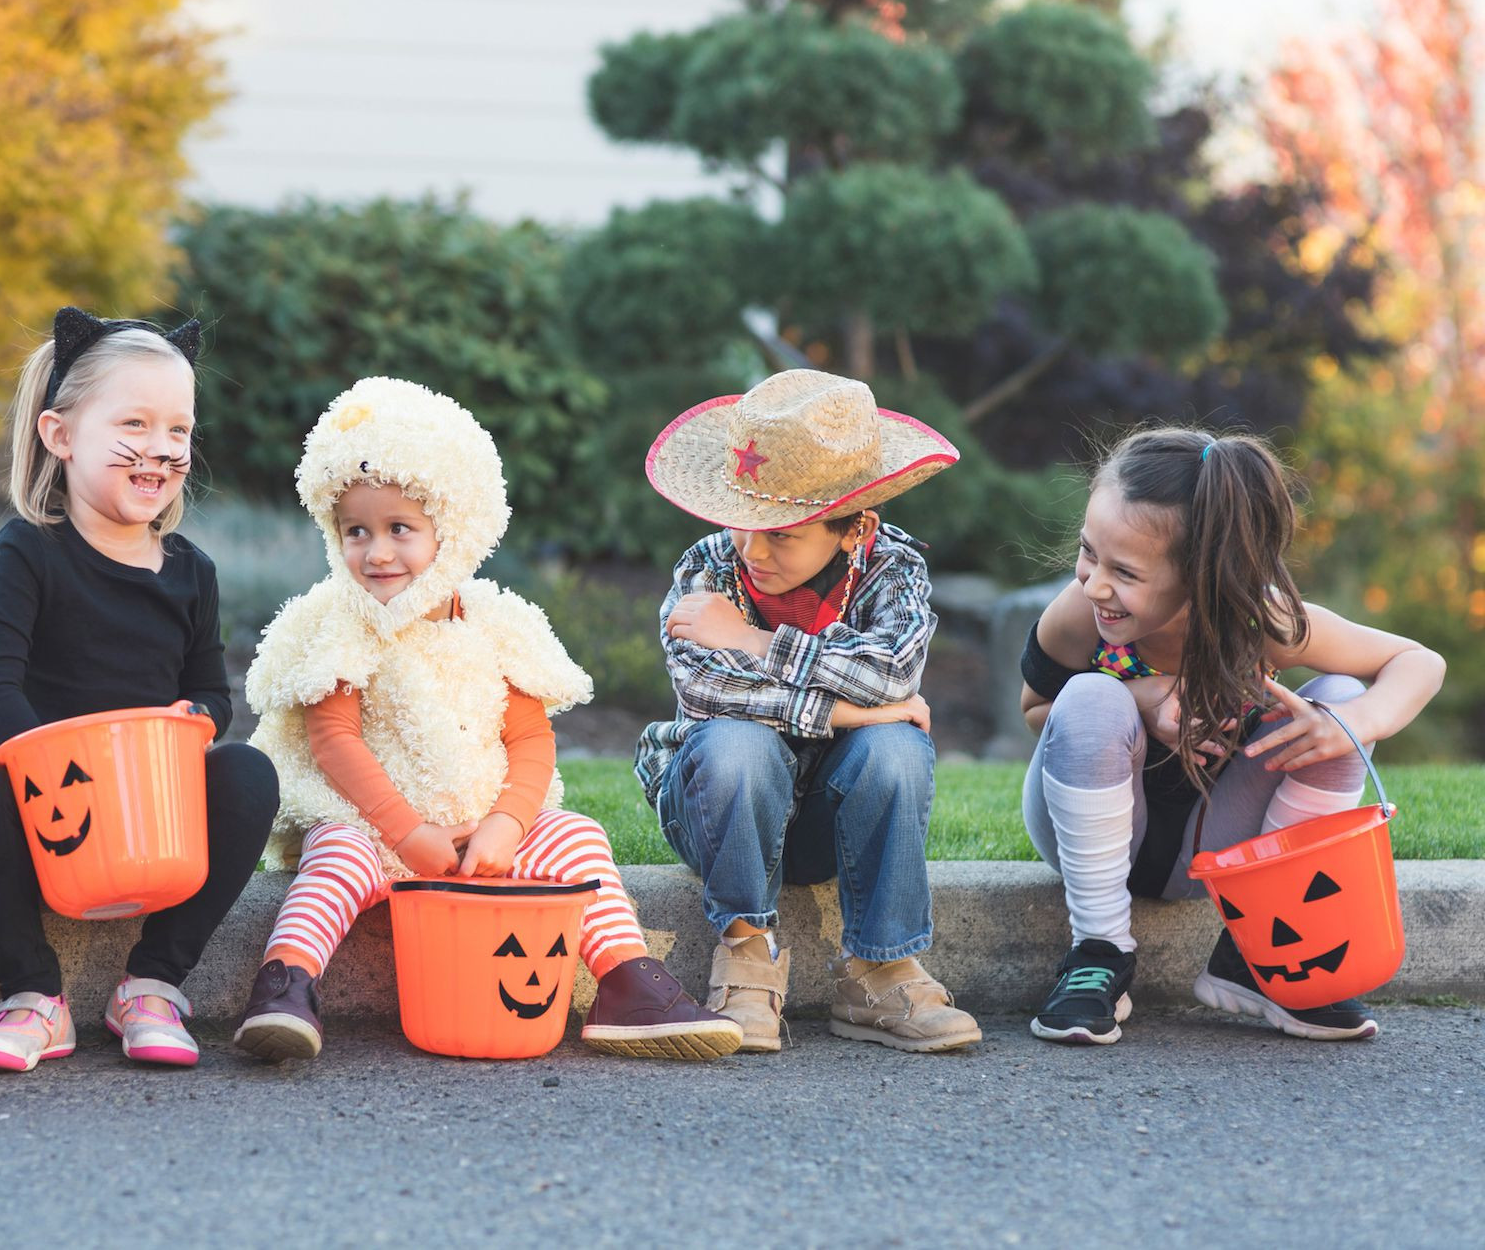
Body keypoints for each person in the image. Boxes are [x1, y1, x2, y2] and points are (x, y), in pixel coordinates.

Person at [232, 377, 740, 1062]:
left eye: (399, 529)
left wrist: (505, 823)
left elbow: (531, 738)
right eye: (356, 531)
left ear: (454, 530)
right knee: (335, 857)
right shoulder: (344, 622)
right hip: (378, 827)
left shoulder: (496, 623)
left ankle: (624, 979)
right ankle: (287, 981)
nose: (376, 552)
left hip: (484, 837)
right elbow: (334, 740)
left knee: (577, 837)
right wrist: (407, 831)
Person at [0, 307, 278, 1072]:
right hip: (46, 810)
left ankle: (152, 984)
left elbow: (210, 694)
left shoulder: (193, 572)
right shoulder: (30, 549)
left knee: (248, 772)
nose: (161, 447)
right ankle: (33, 994)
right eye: (135, 423)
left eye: (179, 431)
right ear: (61, 435)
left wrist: (197, 717)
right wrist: (47, 766)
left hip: (152, 811)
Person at [1020, 428, 1443, 1044]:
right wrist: (1138, 697)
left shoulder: (1259, 620)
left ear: (1202, 576)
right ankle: (1098, 954)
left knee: (1341, 703)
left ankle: (1259, 953)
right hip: (1094, 834)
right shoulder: (1081, 611)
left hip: (1215, 844)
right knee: (1088, 695)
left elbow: (1418, 661)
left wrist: (1353, 727)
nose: (1094, 583)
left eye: (1125, 572)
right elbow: (1038, 711)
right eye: (1089, 553)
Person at [638, 368, 980, 1053]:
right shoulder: (707, 568)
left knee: (897, 751)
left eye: (783, 534)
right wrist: (852, 713)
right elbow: (710, 691)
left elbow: (892, 671)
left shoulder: (892, 569)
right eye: (745, 518)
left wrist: (751, 639)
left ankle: (880, 970)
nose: (753, 548)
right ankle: (745, 955)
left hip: (830, 817)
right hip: (718, 806)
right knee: (738, 743)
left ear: (854, 528)